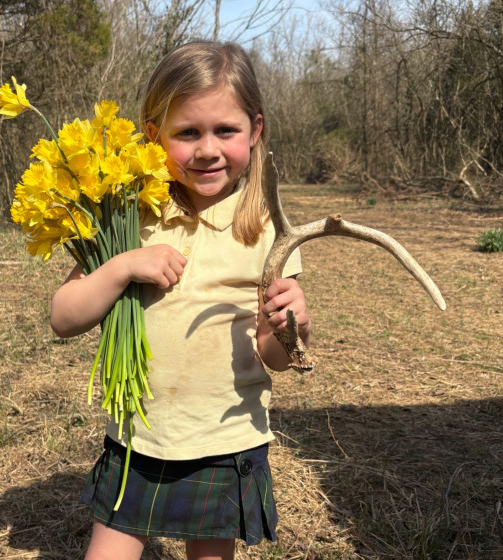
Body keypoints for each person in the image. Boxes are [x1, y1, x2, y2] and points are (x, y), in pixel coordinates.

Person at [50, 40, 311, 560]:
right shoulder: (127, 215)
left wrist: (292, 327)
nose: (207, 149)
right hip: (139, 441)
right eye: (187, 132)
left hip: (225, 441)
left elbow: (275, 357)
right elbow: (63, 317)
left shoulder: (267, 230)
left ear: (255, 130)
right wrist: (123, 266)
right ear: (154, 136)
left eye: (226, 131)